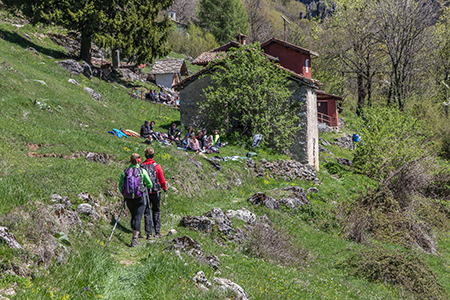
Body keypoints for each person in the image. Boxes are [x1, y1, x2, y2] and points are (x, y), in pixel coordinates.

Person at [119, 153, 152, 247]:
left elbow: (120, 185)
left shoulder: (125, 171)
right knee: (138, 216)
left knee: (133, 215)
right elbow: (150, 184)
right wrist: (145, 186)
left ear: (130, 160)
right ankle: (135, 239)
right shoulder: (142, 171)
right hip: (140, 197)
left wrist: (123, 194)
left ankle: (134, 235)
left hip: (129, 197)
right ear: (139, 160)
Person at [141, 147, 167, 239]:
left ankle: (148, 233)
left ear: (145, 155)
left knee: (147, 211)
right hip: (156, 191)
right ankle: (157, 231)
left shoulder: (142, 166)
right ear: (153, 155)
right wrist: (164, 187)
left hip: (145, 192)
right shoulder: (157, 166)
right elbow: (162, 179)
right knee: (156, 210)